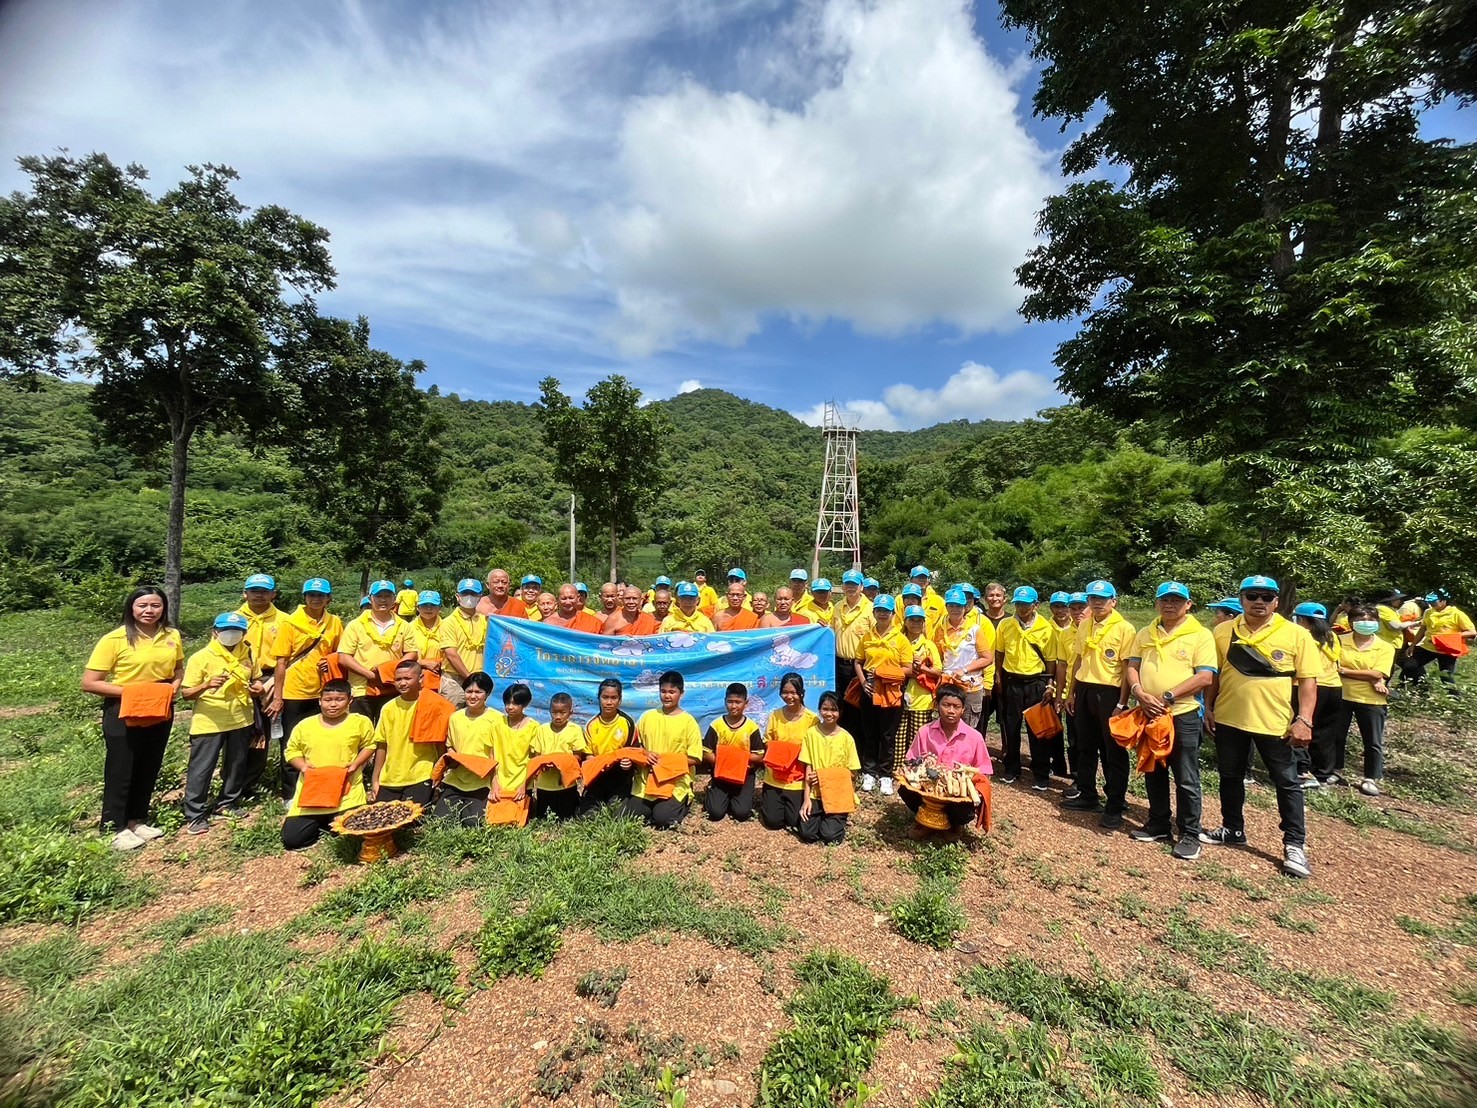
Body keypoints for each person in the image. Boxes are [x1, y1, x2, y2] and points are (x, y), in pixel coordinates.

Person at [1202, 575, 1318, 879]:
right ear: (1241, 599)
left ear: (1276, 602)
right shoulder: (1222, 631)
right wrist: (1208, 707)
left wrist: (1304, 719)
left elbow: (1308, 681)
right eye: (1252, 596)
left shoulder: (1296, 634)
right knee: (1230, 775)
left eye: (1266, 597)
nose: (1259, 602)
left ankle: (1294, 844)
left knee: (1286, 782)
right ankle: (1232, 828)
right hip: (1229, 717)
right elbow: (1215, 674)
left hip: (1275, 723)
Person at [82, 586, 185, 851]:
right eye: (142, 606)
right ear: (131, 608)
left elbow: (178, 669)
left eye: (155, 605)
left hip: (160, 706)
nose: (149, 611)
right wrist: (137, 692)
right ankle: (113, 826)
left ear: (164, 608)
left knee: (149, 763)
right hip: (124, 708)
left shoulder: (171, 635)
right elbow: (90, 682)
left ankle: (137, 820)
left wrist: (174, 686)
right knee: (121, 767)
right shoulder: (114, 639)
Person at [1123, 582, 1217, 860]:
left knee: (1186, 776)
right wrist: (1139, 692)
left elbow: (1205, 677)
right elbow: (1132, 666)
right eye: (1164, 599)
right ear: (1156, 603)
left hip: (1182, 714)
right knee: (1153, 769)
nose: (1170, 604)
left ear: (1188, 605)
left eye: (1177, 600)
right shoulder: (1145, 632)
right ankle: (1159, 822)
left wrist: (1167, 696)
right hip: (1150, 712)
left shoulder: (1200, 635)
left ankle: (1190, 832)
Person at [180, 612, 264, 835]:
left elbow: (256, 678)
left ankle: (227, 803)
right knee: (202, 767)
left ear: (244, 634)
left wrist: (258, 687)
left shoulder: (247, 653)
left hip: (240, 716)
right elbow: (187, 693)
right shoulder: (201, 657)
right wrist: (206, 685)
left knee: (236, 763)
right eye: (225, 630)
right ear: (215, 632)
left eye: (236, 631)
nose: (231, 635)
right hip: (210, 720)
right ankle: (195, 814)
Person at [1065, 580, 1137, 824]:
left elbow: (1128, 667)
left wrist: (1122, 703)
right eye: (1092, 598)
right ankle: (1087, 795)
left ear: (1113, 601)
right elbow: (1078, 660)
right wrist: (1072, 693)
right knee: (1085, 745)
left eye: (1102, 599)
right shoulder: (1085, 624)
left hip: (1110, 693)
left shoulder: (1124, 629)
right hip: (1085, 688)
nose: (1096, 603)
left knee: (1113, 751)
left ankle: (1115, 804)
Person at [265, 579, 344, 797]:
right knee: (292, 742)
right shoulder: (291, 623)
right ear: (305, 597)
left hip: (324, 692)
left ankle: (319, 784)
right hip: (295, 692)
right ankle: (290, 793)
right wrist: (278, 697)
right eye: (311, 595)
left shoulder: (334, 622)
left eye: (321, 595)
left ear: (328, 598)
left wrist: (330, 659)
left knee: (322, 740)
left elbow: (339, 653)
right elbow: (281, 662)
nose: (316, 599)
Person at [280, 679, 376, 850]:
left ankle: (332, 820)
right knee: (292, 840)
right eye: (328, 700)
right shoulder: (305, 725)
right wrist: (303, 767)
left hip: (347, 792)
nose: (333, 704)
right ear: (319, 701)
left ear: (350, 700)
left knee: (355, 834)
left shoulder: (360, 722)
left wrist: (356, 764)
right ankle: (324, 821)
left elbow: (370, 745)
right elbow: (291, 751)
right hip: (312, 793)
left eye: (339, 699)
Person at [901, 686, 992, 835]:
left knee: (964, 810)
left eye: (956, 707)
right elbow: (911, 760)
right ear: (937, 706)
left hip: (957, 790)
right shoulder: (925, 731)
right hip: (929, 786)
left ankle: (955, 824)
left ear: (963, 709)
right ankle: (924, 820)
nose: (951, 711)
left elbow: (984, 771)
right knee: (905, 789)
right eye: (946, 705)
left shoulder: (974, 737)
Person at [624, 671, 703, 829]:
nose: (667, 696)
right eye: (663, 691)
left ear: (681, 693)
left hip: (675, 782)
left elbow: (695, 758)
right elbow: (635, 746)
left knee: (662, 820)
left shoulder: (689, 722)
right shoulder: (647, 716)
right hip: (646, 781)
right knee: (628, 817)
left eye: (672, 692)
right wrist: (645, 754)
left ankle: (684, 800)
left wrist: (667, 763)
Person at [993, 586, 1055, 787]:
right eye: (1018, 603)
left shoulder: (1046, 628)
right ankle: (1011, 769)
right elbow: (999, 653)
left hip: (1036, 682)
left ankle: (1041, 773)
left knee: (1037, 729)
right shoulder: (1005, 625)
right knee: (1011, 727)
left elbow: (1051, 660)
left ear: (1035, 605)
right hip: (1012, 681)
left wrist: (1049, 685)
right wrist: (999, 678)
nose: (1021, 607)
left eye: (1026, 604)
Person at [1335, 604, 1398, 797]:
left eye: (1370, 620)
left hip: (1371, 699)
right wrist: (1370, 677)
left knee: (1372, 741)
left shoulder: (1385, 647)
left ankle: (1371, 777)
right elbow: (1333, 665)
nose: (1365, 624)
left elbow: (1378, 672)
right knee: (1337, 737)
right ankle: (1335, 770)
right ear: (1351, 622)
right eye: (1360, 620)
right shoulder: (1338, 640)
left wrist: (1346, 672)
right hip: (1341, 694)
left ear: (1377, 623)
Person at [370, 659, 449, 806]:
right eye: (398, 679)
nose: (402, 683)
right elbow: (382, 744)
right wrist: (375, 779)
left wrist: (440, 774)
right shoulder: (388, 708)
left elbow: (440, 743)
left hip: (421, 774)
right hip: (390, 776)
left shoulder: (436, 704)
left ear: (420, 679)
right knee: (385, 819)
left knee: (412, 819)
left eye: (407, 678)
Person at [337, 580, 414, 724]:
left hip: (391, 688)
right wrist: (371, 675)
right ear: (370, 598)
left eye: (387, 596)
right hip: (361, 689)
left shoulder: (404, 625)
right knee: (360, 734)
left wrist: (388, 672)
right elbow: (344, 657)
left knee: (388, 734)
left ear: (394, 599)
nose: (383, 600)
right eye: (378, 596)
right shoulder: (355, 625)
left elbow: (411, 653)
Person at [854, 596, 910, 794]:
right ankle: (869, 771)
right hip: (869, 689)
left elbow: (908, 668)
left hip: (891, 691)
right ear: (874, 613)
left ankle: (885, 774)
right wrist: (863, 682)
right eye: (879, 610)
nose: (883, 614)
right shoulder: (867, 637)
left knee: (887, 735)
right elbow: (858, 661)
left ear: (893, 613)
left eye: (886, 610)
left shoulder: (900, 639)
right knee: (869, 732)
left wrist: (884, 674)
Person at [434, 671, 502, 826]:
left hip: (482, 782)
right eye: (469, 691)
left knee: (473, 824)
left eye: (478, 692)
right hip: (456, 779)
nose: (473, 696)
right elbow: (450, 746)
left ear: (488, 694)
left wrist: (496, 784)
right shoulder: (455, 717)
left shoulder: (497, 719)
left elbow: (498, 755)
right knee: (440, 822)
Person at [798, 691, 861, 844]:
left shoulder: (847, 738)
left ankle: (838, 818)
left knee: (830, 836)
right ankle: (823, 817)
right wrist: (806, 800)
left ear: (840, 712)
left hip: (837, 794)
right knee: (807, 834)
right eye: (825, 709)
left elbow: (852, 773)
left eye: (834, 710)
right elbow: (809, 768)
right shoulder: (811, 734)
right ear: (819, 710)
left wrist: (823, 775)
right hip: (816, 794)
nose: (829, 713)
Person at [1292, 602, 1345, 787]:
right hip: (1334, 687)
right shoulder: (1332, 636)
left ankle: (1302, 771)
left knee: (1301, 726)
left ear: (1300, 619)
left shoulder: (1302, 636)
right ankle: (1323, 773)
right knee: (1325, 733)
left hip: (1310, 686)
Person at [759, 672, 816, 829]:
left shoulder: (812, 719)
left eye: (793, 692)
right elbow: (767, 741)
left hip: (797, 779)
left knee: (794, 821)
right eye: (785, 692)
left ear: (802, 693)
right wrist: (784, 753)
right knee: (772, 822)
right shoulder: (775, 715)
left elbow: (813, 750)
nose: (789, 696)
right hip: (774, 776)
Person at [702, 682, 764, 822]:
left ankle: (738, 798)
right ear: (725, 702)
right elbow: (707, 752)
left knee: (741, 813)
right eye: (730, 701)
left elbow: (759, 755)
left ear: (746, 703)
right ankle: (712, 792)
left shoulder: (751, 727)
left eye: (738, 702)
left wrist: (738, 761)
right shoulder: (717, 725)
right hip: (721, 775)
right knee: (715, 813)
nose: (733, 706)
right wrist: (724, 763)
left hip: (744, 775)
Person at [936, 586, 995, 731]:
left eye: (959, 606)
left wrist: (965, 670)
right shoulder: (940, 628)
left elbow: (987, 658)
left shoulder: (975, 629)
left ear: (965, 607)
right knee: (946, 727)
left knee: (967, 730)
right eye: (951, 605)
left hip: (970, 687)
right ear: (946, 607)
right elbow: (938, 656)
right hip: (947, 685)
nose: (955, 609)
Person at [896, 604, 943, 780]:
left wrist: (921, 668)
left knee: (918, 736)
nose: (916, 623)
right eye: (912, 619)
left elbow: (938, 671)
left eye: (919, 620)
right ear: (905, 621)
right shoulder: (898, 640)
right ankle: (898, 770)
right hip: (898, 695)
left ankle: (916, 771)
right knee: (899, 736)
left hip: (922, 697)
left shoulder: (928, 645)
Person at [579, 678, 638, 816]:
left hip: (620, 777)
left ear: (620, 700)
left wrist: (629, 762)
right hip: (598, 776)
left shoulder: (628, 723)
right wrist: (598, 766)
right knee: (586, 816)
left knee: (619, 814)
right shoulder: (591, 725)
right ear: (598, 698)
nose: (609, 702)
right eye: (605, 697)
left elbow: (634, 752)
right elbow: (589, 756)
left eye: (614, 698)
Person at [530, 692, 587, 820]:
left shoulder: (575, 729)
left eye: (563, 713)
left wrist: (562, 764)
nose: (558, 717)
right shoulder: (542, 729)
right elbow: (537, 756)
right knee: (543, 818)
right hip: (544, 784)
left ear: (570, 713)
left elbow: (578, 756)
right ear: (549, 711)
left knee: (566, 817)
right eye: (554, 712)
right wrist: (544, 764)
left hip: (566, 784)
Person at [1410, 589, 1476, 694]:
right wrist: (1413, 645)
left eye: (1434, 602)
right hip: (1428, 646)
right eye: (1430, 603)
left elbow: (1472, 632)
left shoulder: (1457, 614)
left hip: (1447, 649)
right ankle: (1421, 690)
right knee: (1410, 666)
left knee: (1445, 676)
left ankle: (1455, 699)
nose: (1431, 605)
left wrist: (1449, 637)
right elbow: (1423, 629)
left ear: (1443, 601)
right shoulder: (1428, 612)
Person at [833, 569, 874, 729]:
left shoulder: (870, 609)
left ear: (861, 587)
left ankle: (860, 748)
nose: (851, 588)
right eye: (847, 584)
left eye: (854, 584)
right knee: (841, 704)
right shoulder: (836, 607)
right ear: (843, 586)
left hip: (861, 666)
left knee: (860, 706)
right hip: (839, 664)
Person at [439, 579, 490, 708]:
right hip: (455, 681)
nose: (469, 597)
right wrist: (470, 679)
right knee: (452, 719)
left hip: (479, 680)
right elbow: (451, 654)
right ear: (457, 597)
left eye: (473, 594)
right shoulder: (449, 622)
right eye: (465, 593)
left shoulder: (485, 620)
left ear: (480, 597)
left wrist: (477, 682)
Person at [490, 683, 537, 814]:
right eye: (507, 703)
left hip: (521, 783)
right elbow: (491, 755)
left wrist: (524, 785)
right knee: (495, 819)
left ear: (525, 704)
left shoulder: (533, 727)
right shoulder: (497, 724)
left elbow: (534, 760)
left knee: (517, 818)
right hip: (499, 782)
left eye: (515, 704)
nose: (510, 707)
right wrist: (494, 783)